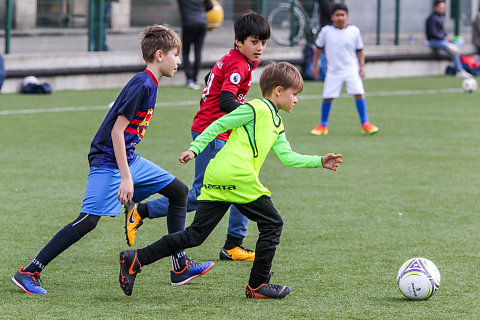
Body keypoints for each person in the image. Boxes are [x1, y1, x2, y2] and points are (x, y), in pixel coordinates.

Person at [11, 25, 213, 295]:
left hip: (129, 158)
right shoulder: (142, 83)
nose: (179, 61)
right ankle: (29, 270)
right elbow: (117, 132)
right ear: (160, 55)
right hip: (109, 160)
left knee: (179, 191)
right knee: (88, 221)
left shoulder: (150, 83)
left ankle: (179, 266)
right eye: (176, 55)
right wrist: (126, 177)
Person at [118, 61, 343, 298]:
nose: (296, 100)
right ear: (278, 90)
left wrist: (319, 160)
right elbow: (220, 123)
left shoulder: (276, 123)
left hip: (219, 176)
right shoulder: (255, 108)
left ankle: (136, 259)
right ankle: (257, 285)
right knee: (273, 224)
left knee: (195, 235)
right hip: (237, 176)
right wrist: (195, 148)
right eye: (294, 94)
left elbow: (288, 157)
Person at [124, 11, 271, 262]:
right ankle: (141, 210)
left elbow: (209, 79)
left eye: (263, 43)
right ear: (239, 41)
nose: (259, 48)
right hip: (212, 133)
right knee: (202, 193)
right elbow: (226, 102)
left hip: (219, 131)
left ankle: (234, 244)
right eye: (254, 42)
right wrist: (254, 112)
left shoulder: (236, 59)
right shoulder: (237, 63)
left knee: (244, 182)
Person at [310, 3, 378, 136]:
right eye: (337, 15)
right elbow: (318, 49)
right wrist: (315, 66)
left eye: (343, 15)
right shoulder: (326, 31)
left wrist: (361, 67)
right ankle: (323, 125)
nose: (340, 18)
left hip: (351, 69)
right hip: (333, 70)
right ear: (332, 17)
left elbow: (360, 51)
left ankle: (365, 123)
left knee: (359, 93)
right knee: (328, 97)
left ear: (347, 16)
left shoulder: (354, 31)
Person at [425, 0, 471, 78]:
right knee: (452, 48)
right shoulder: (431, 18)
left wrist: (448, 37)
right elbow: (432, 34)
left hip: (443, 41)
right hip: (433, 41)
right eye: (440, 8)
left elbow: (442, 32)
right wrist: (444, 38)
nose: (442, 9)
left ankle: (454, 49)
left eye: (443, 8)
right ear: (435, 7)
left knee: (460, 40)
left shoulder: (441, 17)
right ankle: (459, 70)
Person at [178, 0, 213, 89]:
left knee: (185, 52)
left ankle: (189, 79)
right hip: (202, 23)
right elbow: (210, 6)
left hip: (188, 23)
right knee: (198, 52)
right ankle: (195, 79)